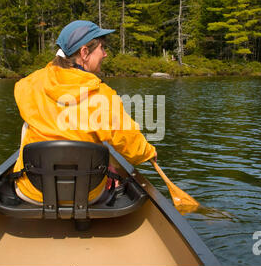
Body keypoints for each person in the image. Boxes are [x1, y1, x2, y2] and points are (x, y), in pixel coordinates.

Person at [12, 20, 157, 204]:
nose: (105, 54)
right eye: (102, 48)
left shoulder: (32, 83)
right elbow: (130, 145)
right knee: (100, 137)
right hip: (88, 194)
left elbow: (29, 84)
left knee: (28, 126)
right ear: (84, 52)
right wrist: (148, 152)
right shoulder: (102, 95)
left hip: (32, 191)